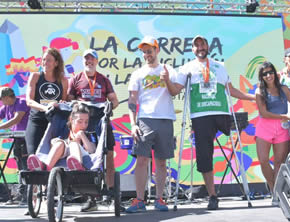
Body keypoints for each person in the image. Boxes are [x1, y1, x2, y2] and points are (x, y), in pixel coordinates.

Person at [165, 35, 255, 210]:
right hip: (201, 115)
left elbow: (231, 89)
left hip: (221, 113)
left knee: (235, 148)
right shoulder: (187, 68)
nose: (200, 47)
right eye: (196, 45)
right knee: (205, 155)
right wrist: (167, 80)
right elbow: (175, 91)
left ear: (207, 46)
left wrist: (253, 97)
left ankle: (245, 191)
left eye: (203, 44)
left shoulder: (219, 66)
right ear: (192, 49)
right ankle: (213, 196)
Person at [126, 36, 178, 213]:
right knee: (141, 160)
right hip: (145, 119)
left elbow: (175, 92)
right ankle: (139, 199)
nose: (147, 54)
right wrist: (133, 124)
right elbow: (132, 100)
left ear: (157, 50)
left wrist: (167, 80)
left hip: (165, 119)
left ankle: (160, 198)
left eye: (150, 50)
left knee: (161, 162)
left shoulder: (168, 69)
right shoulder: (137, 74)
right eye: (144, 51)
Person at [67, 49, 119, 212]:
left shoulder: (103, 80)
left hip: (101, 121)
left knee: (109, 155)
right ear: (83, 61)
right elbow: (68, 100)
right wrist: (77, 105)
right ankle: (90, 199)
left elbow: (115, 101)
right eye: (86, 59)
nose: (89, 62)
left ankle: (110, 194)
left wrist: (109, 106)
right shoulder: (75, 79)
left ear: (96, 61)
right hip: (84, 122)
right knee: (86, 157)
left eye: (92, 59)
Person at [255, 61, 290, 205]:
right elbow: (264, 113)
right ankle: (274, 188)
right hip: (265, 127)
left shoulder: (284, 89)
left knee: (279, 162)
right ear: (261, 77)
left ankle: (277, 193)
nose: (268, 75)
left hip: (282, 128)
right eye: (265, 73)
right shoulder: (259, 91)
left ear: (275, 73)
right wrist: (284, 116)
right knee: (263, 160)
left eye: (270, 72)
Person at [0, 87, 30, 205]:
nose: (0, 101)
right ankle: (21, 196)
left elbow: (16, 119)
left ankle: (27, 197)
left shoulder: (21, 103)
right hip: (17, 140)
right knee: (20, 167)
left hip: (26, 140)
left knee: (26, 167)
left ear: (7, 97)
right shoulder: (5, 107)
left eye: (1, 99)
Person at [27, 103, 96, 171]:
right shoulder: (65, 131)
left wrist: (82, 135)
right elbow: (54, 144)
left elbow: (92, 150)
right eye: (80, 122)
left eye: (86, 122)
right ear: (71, 119)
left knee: (73, 144)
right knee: (60, 143)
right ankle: (45, 167)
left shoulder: (88, 134)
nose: (84, 125)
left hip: (82, 156)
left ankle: (77, 167)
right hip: (64, 152)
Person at [25, 47, 68, 156]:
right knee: (33, 155)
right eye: (43, 60)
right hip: (37, 121)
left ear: (56, 63)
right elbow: (29, 101)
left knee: (52, 157)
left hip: (55, 123)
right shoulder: (35, 76)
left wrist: (59, 105)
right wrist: (46, 108)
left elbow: (63, 101)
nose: (45, 63)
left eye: (48, 60)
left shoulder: (63, 80)